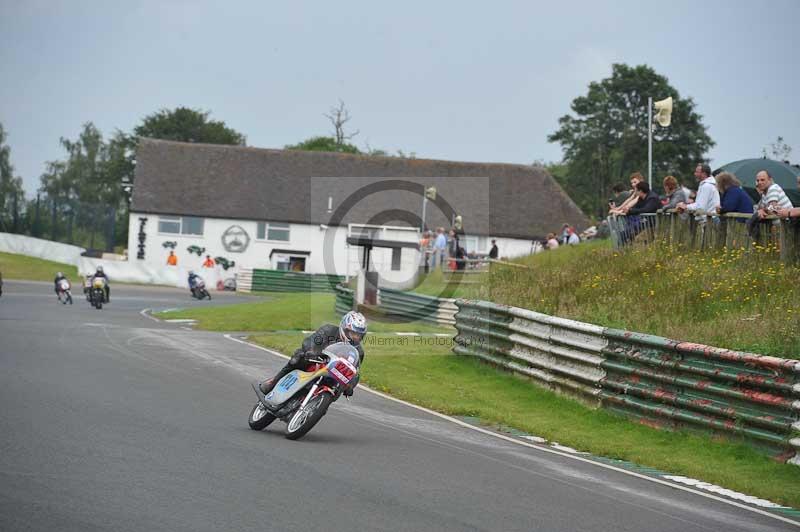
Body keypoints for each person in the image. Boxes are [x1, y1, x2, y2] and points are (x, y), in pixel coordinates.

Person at [257, 311, 367, 397]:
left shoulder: (358, 351)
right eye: (353, 333)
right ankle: (274, 382)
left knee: (338, 389)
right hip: (315, 360)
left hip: (332, 373)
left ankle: (318, 405)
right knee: (298, 357)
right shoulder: (329, 330)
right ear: (344, 328)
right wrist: (311, 351)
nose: (355, 337)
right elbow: (312, 340)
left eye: (358, 335)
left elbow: (355, 371)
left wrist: (350, 385)